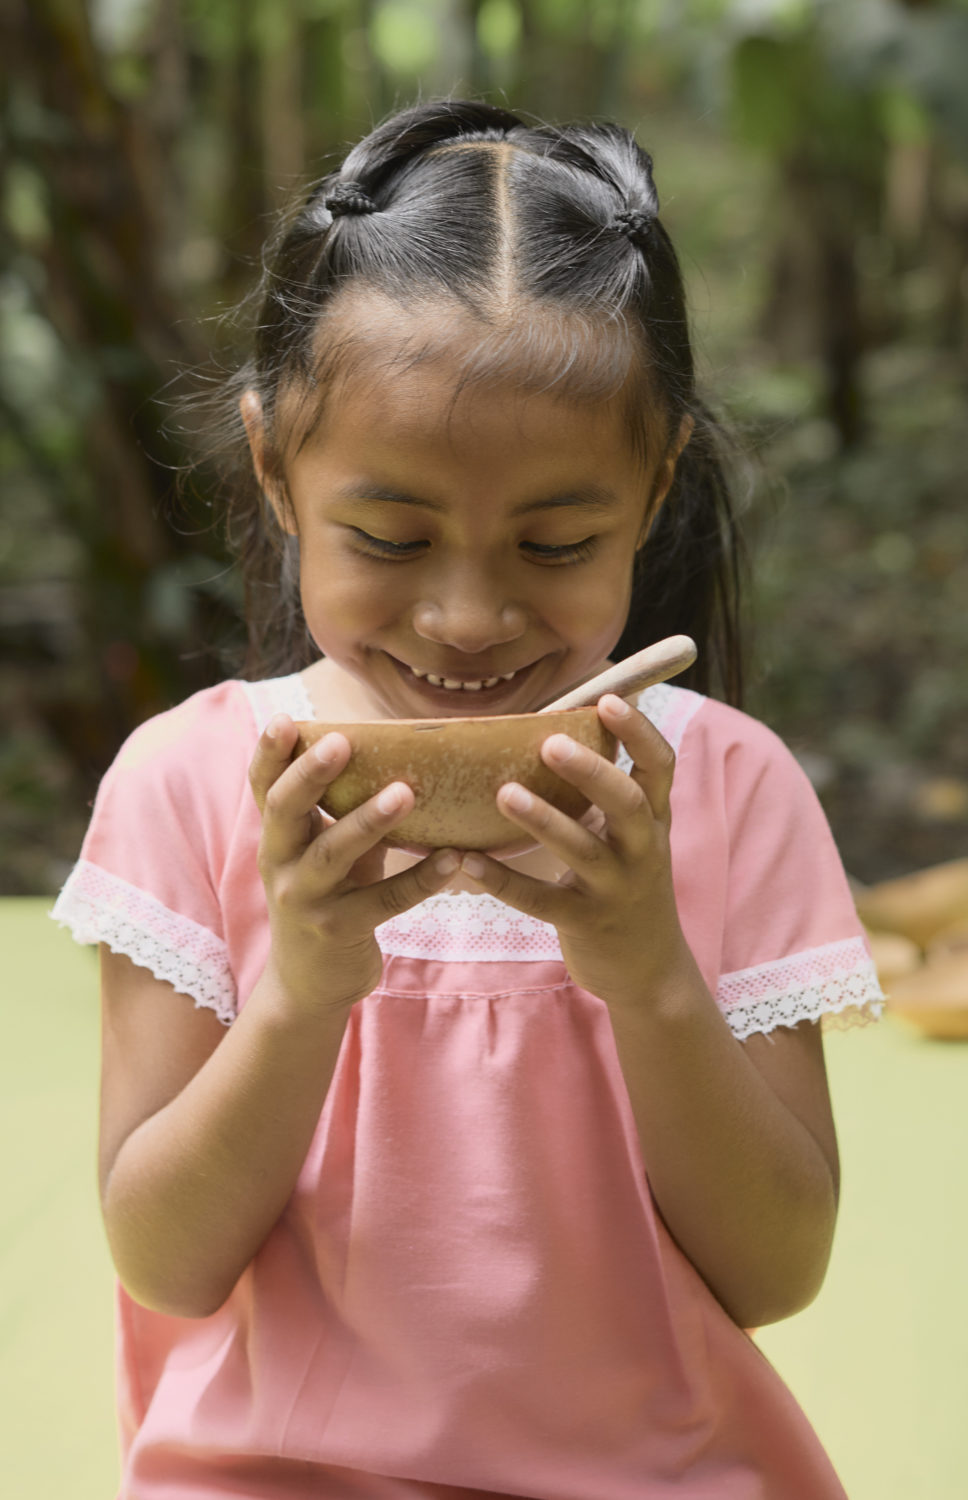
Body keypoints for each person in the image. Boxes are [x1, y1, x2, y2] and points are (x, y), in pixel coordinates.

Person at [53, 99, 883, 1499]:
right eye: (391, 537)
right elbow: (164, 1262)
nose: (467, 616)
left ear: (654, 488)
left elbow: (776, 1271)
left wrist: (649, 973)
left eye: (556, 544)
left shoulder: (727, 792)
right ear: (275, 467)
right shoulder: (189, 784)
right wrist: (301, 991)